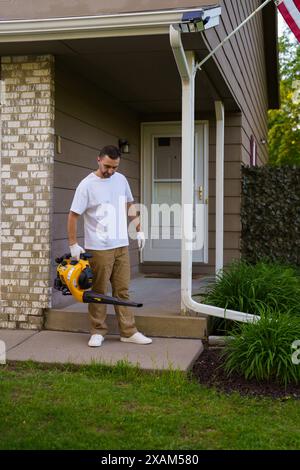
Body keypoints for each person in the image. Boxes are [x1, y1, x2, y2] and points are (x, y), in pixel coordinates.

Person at [67, 145, 152, 347]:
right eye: (107, 166)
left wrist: (138, 229)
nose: (111, 171)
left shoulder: (121, 180)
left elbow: (130, 205)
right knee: (99, 290)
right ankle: (97, 331)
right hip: (98, 247)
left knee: (122, 290)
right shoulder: (86, 185)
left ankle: (128, 332)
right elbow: (73, 215)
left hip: (121, 245)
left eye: (114, 167)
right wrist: (73, 244)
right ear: (98, 160)